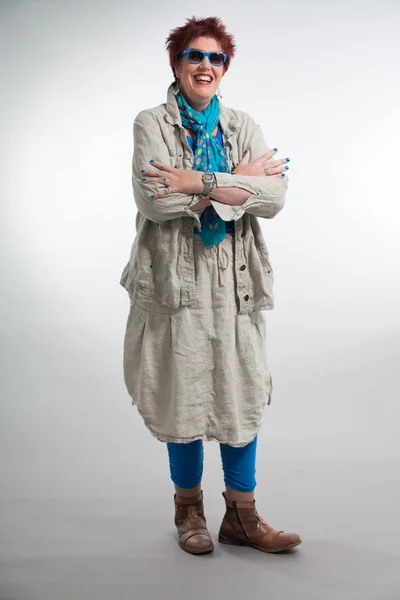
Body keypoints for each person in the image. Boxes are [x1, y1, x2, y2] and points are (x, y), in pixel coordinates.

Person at [120, 15, 302, 555]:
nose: (205, 66)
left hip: (235, 281)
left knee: (241, 391)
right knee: (183, 391)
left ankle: (242, 518)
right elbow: (154, 201)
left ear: (225, 68)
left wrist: (199, 180)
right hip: (175, 280)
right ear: (177, 64)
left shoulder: (243, 124)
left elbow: (275, 199)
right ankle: (190, 512)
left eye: (216, 58)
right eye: (195, 56)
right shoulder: (150, 122)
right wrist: (236, 184)